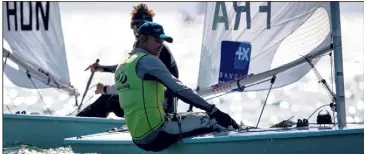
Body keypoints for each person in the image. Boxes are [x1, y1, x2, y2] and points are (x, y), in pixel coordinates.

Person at [114, 21, 240, 152]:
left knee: (190, 117)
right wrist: (213, 110)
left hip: (138, 137)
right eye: (156, 40)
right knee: (215, 120)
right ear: (143, 39)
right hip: (156, 133)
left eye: (162, 42)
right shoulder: (147, 60)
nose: (160, 45)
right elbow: (179, 89)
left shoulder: (122, 65)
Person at [76, 3, 179, 118]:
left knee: (108, 100)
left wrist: (105, 89)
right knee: (110, 98)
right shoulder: (150, 47)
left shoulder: (155, 50)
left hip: (160, 108)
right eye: (133, 26)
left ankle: (77, 125)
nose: (135, 31)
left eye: (139, 26)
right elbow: (128, 67)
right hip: (154, 103)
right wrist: (102, 68)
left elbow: (131, 84)